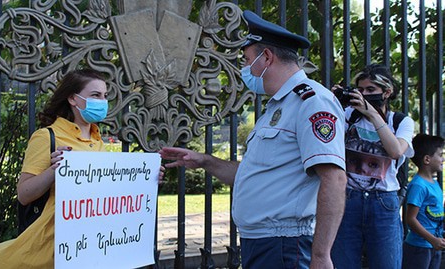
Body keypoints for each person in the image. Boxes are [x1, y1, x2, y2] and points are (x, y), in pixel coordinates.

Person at [159, 10, 347, 269]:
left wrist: (320, 256)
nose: (245, 68)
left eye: (247, 60)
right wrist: (204, 161)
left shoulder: (313, 102)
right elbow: (255, 174)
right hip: (261, 242)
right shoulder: (276, 107)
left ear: (267, 57)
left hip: (284, 245)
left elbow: (334, 178)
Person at [0, 69, 119, 268]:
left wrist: (145, 180)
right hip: (49, 247)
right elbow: (24, 194)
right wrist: (54, 170)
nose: (102, 102)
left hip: (87, 246)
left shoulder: (98, 142)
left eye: (105, 96)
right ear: (72, 98)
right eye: (95, 95)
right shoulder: (46, 137)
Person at [331, 64, 415, 269]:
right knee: (342, 263)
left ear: (387, 92)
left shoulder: (400, 121)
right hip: (348, 199)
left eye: (370, 90)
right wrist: (331, 103)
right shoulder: (348, 116)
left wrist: (373, 114)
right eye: (360, 90)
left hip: (383, 202)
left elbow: (396, 151)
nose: (363, 94)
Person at [402, 134, 445, 269]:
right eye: (440, 155)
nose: (442, 159)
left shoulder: (435, 184)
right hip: (419, 247)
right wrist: (432, 239)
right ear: (427, 159)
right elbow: (411, 219)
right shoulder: (419, 186)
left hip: (433, 245)